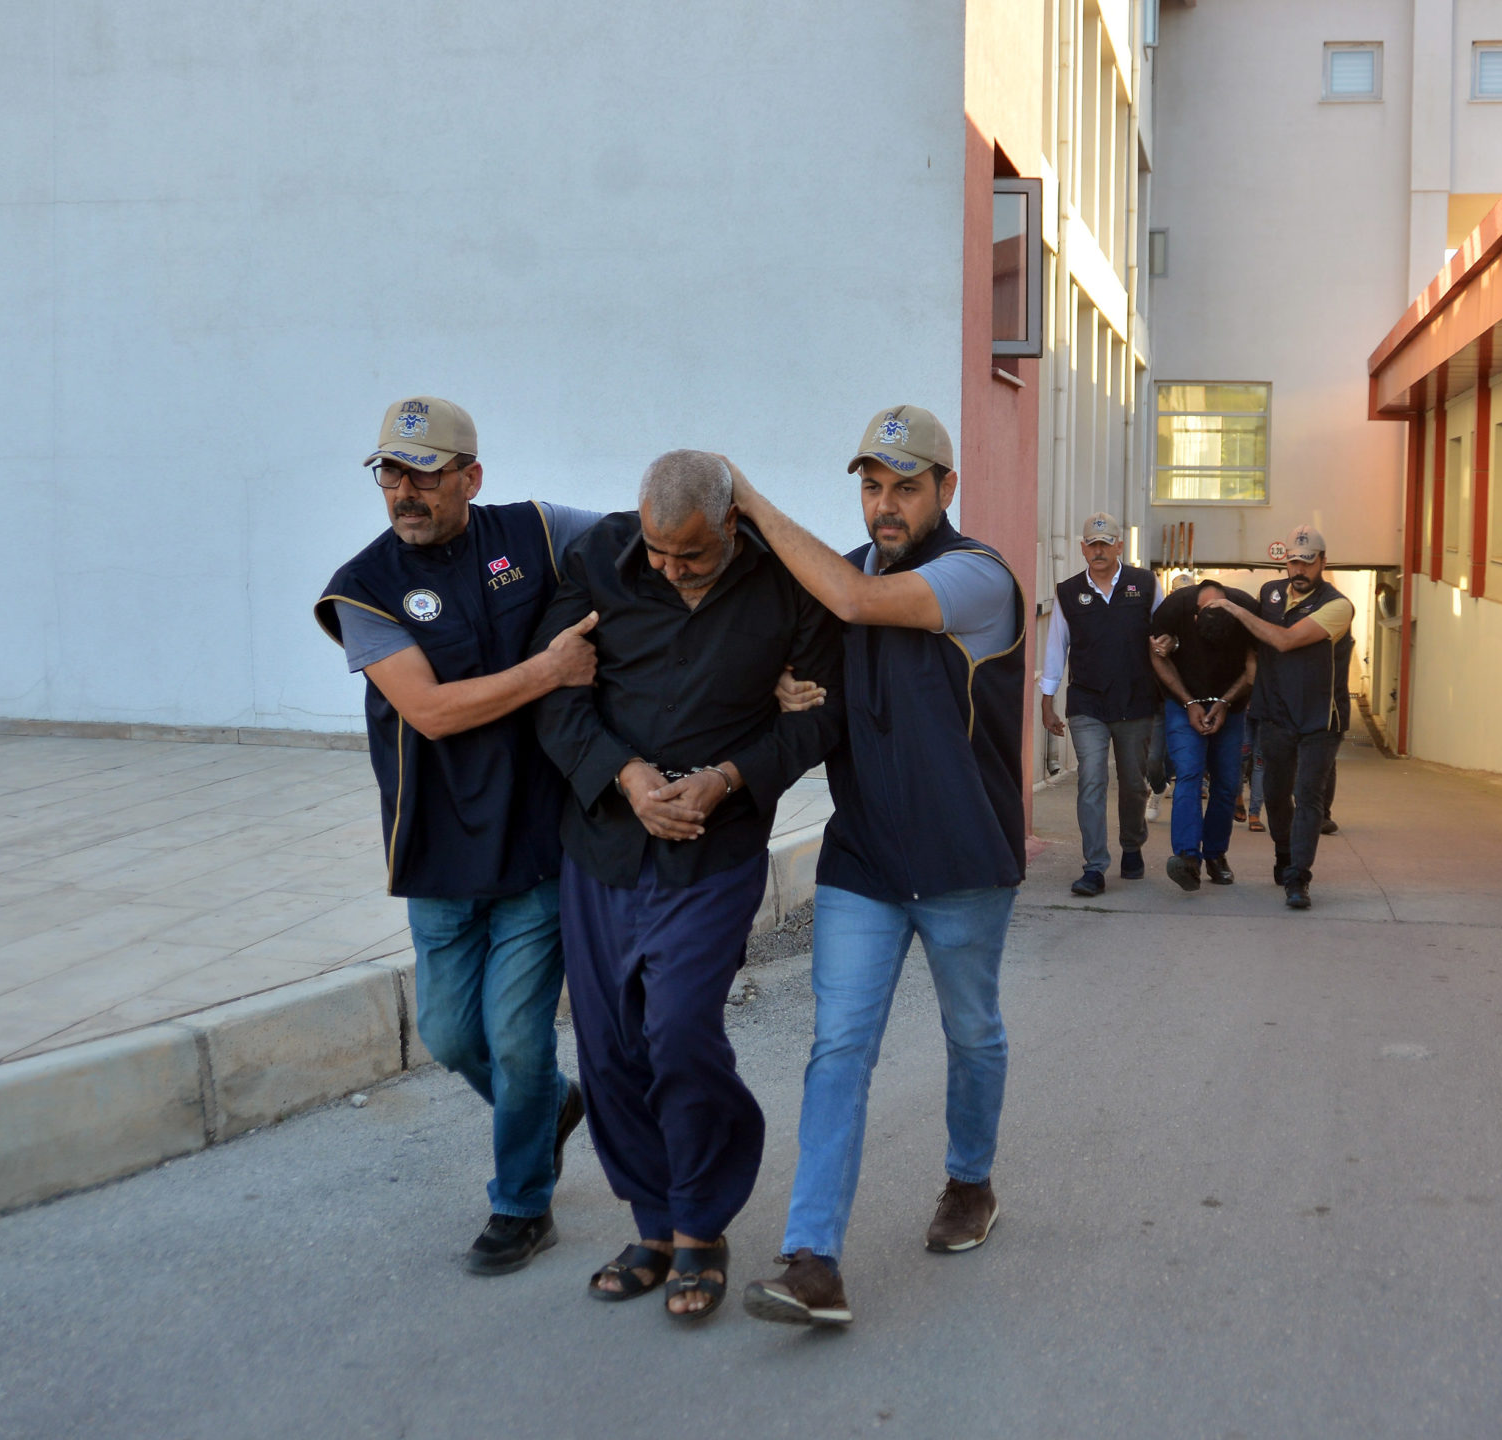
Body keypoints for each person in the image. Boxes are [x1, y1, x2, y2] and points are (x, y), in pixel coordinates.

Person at [724, 405, 1025, 1329]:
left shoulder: (976, 577)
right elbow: (817, 657)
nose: (884, 506)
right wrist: (783, 682)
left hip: (965, 856)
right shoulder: (842, 577)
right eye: (870, 486)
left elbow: (855, 607)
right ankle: (814, 1258)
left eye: (903, 487)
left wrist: (748, 500)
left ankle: (970, 1182)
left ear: (946, 489)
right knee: (838, 1049)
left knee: (971, 1031)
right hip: (863, 858)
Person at [529, 450, 844, 1322]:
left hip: (715, 847)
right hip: (603, 845)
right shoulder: (600, 558)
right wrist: (626, 776)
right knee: (608, 1042)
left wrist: (731, 775)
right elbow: (558, 699)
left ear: (732, 526)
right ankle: (654, 1222)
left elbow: (819, 717)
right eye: (660, 555)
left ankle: (704, 1222)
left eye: (690, 557)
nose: (668, 569)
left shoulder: (785, 587)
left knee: (676, 1031)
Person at [313, 396, 600, 1277]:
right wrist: (550, 670)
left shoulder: (540, 531)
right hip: (439, 849)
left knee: (516, 1038)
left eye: (425, 473)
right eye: (390, 472)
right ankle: (549, 1107)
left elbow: (644, 540)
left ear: (471, 477)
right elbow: (430, 712)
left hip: (539, 843)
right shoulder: (363, 589)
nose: (403, 489)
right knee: (450, 1036)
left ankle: (521, 1203)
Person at [1214, 526, 1356, 910]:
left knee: (1307, 796)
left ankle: (1299, 878)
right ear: (1285, 561)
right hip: (1276, 715)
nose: (1300, 570)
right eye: (1294, 561)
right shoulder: (1269, 593)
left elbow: (1284, 640)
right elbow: (1258, 646)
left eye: (1308, 563)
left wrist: (1233, 607)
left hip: (1320, 720)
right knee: (1275, 794)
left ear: (1323, 563)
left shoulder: (1338, 605)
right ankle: (1283, 853)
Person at [1039, 512, 1162, 896]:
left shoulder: (1144, 584)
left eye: (1105, 544)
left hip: (1136, 701)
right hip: (1087, 702)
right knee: (1091, 779)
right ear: (1082, 548)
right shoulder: (1069, 592)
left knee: (1132, 783)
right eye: (1092, 544)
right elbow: (1056, 646)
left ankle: (1131, 845)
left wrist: (1169, 652)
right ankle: (1094, 866)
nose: (1098, 550)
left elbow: (1165, 633)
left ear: (1119, 547)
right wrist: (1047, 700)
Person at [1148, 579, 1260, 891]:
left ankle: (1215, 855)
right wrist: (1189, 702)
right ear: (1195, 618)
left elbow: (1254, 668)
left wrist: (1225, 703)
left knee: (1226, 783)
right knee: (1189, 774)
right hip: (1183, 702)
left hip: (1232, 705)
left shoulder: (1249, 611)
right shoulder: (1173, 609)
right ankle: (1186, 858)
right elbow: (1157, 656)